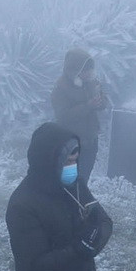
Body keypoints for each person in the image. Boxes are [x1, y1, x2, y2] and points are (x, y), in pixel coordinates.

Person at [6, 122, 114, 271]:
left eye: (75, 160)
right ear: (47, 161)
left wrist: (93, 241)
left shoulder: (75, 187)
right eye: (67, 161)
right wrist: (79, 249)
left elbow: (104, 221)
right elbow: (36, 265)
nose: (73, 167)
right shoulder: (23, 204)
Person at [49, 47, 108, 183]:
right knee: (68, 181)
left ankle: (77, 202)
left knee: (82, 180)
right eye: (85, 70)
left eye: (90, 70)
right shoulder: (61, 88)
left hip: (90, 141)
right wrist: (88, 106)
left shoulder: (91, 83)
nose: (89, 73)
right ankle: (65, 203)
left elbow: (104, 102)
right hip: (71, 144)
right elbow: (63, 116)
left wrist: (100, 101)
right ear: (74, 70)